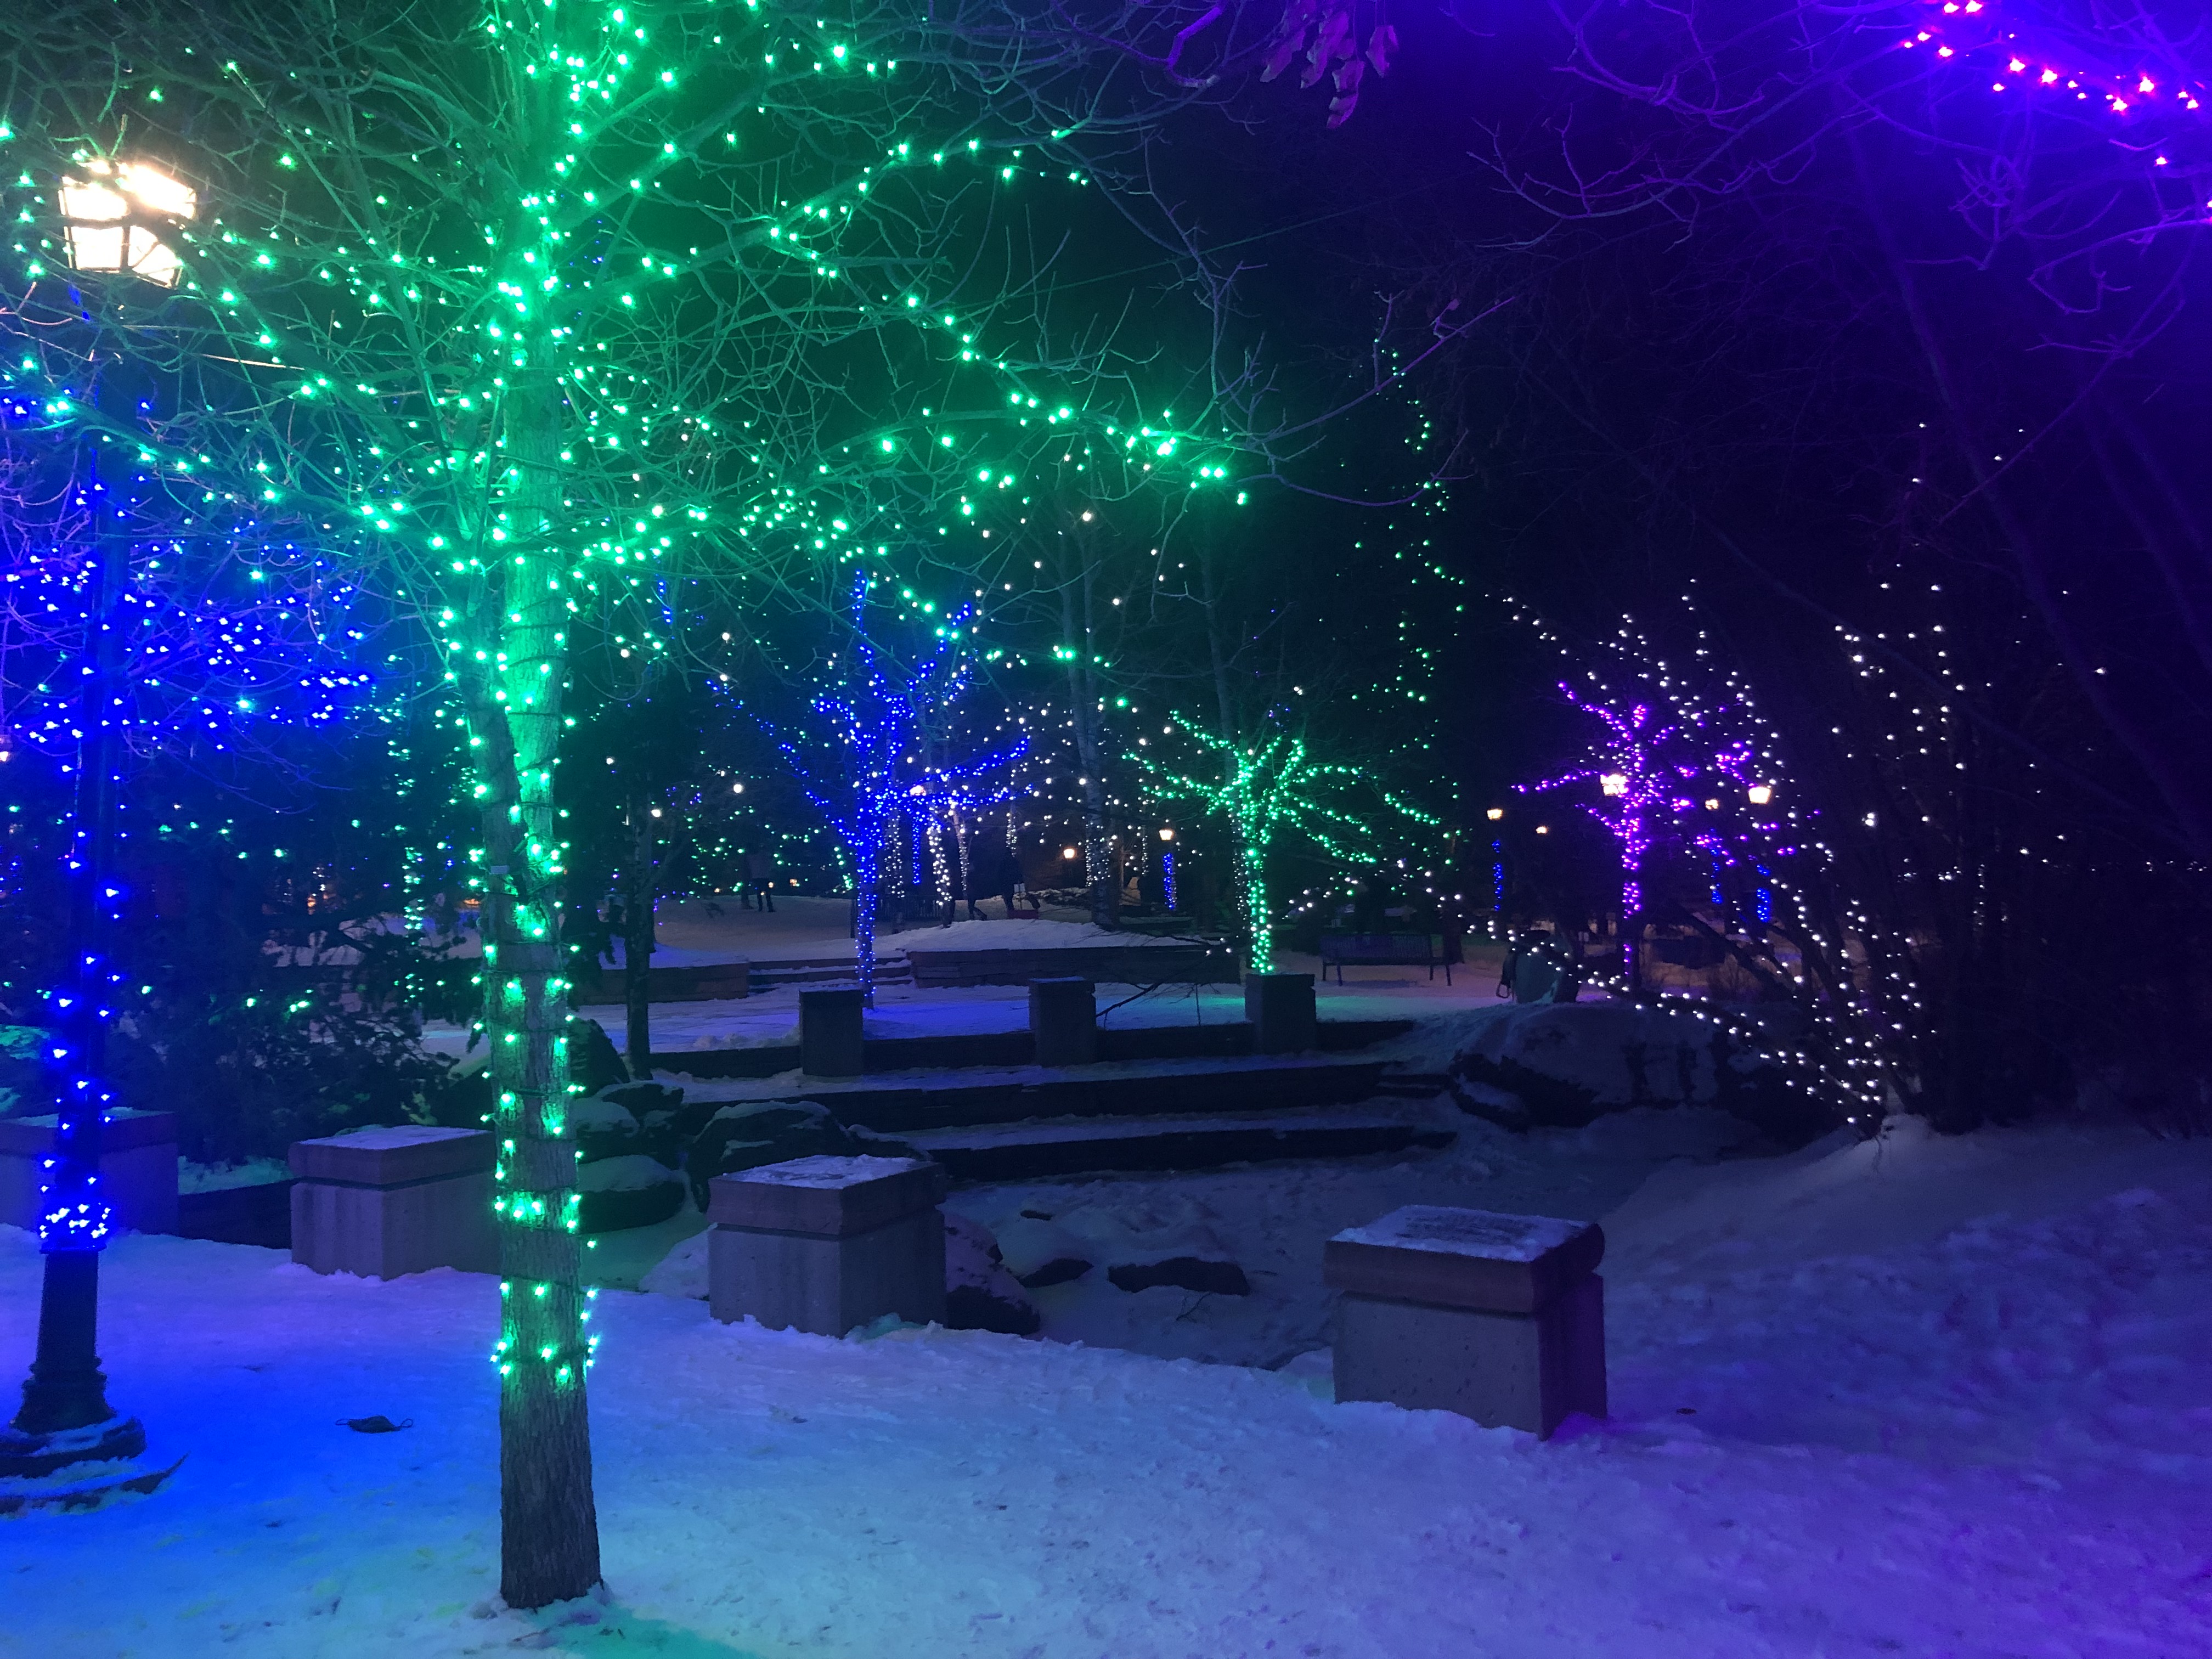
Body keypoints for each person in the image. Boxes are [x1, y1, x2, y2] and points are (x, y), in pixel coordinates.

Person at [744, 847, 776, 911]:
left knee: (758, 892)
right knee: (767, 892)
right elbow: (770, 864)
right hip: (765, 876)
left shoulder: (752, 858)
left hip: (756, 877)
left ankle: (761, 907)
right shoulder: (765, 857)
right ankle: (770, 907)